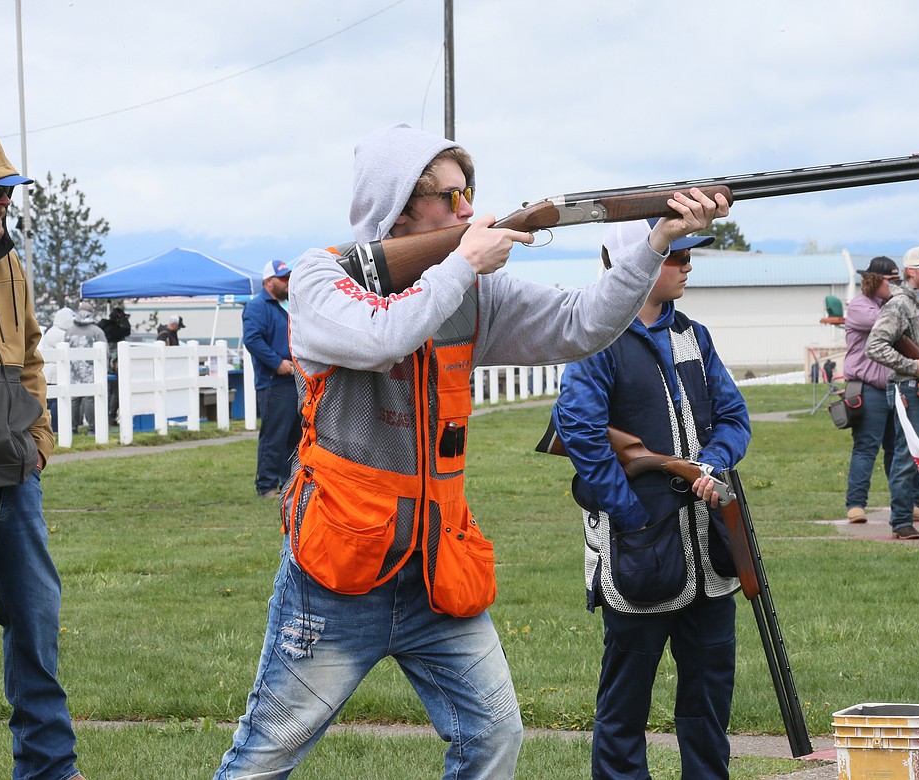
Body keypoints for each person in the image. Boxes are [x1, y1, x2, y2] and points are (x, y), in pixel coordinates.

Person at [212, 123, 728, 779]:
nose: (468, 211)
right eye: (451, 198)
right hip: (338, 570)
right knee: (265, 755)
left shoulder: (470, 289)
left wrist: (656, 242)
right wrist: (460, 264)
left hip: (436, 566)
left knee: (494, 738)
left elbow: (583, 325)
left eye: (471, 194)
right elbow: (380, 338)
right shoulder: (322, 274)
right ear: (401, 207)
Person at [551, 219, 750, 779]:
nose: (687, 265)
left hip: (709, 550)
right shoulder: (596, 340)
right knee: (624, 709)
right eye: (675, 256)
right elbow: (583, 437)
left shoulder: (693, 333)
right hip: (636, 549)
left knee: (709, 704)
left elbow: (734, 417)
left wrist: (709, 466)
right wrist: (633, 516)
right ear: (633, 263)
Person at [0, 130, 86, 779]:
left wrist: (38, 440)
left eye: (4, 193)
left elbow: (29, 358)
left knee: (36, 620)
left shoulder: (11, 266)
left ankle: (50, 768)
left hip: (14, 474)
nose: (3, 203)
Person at [865, 246, 919, 540]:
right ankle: (901, 520)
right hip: (909, 387)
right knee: (908, 455)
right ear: (910, 272)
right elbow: (874, 346)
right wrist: (911, 366)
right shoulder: (898, 305)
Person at [843, 256, 899, 525]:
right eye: (891, 281)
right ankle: (855, 504)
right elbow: (889, 324)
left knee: (896, 449)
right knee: (866, 448)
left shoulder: (890, 305)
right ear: (876, 280)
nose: (896, 287)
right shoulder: (859, 307)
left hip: (892, 387)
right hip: (868, 389)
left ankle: (903, 503)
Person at [241, 259, 301, 498]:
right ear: (268, 282)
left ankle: (288, 483)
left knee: (295, 436)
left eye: (288, 278)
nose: (287, 283)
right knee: (275, 436)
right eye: (283, 278)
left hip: (293, 380)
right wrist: (277, 363)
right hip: (274, 381)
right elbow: (252, 340)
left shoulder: (286, 305)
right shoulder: (257, 307)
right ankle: (266, 485)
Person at [64, 301, 107, 435]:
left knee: (74, 399)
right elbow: (105, 352)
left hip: (73, 371)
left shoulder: (69, 331)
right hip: (91, 370)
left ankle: (72, 428)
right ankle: (92, 428)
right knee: (90, 399)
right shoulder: (97, 331)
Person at [39, 306, 75, 431]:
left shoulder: (51, 331)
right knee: (56, 400)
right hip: (56, 370)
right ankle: (57, 426)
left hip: (49, 369)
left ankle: (54, 426)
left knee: (53, 399)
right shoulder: (60, 334)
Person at [98, 306, 131, 426]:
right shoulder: (114, 329)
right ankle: (110, 417)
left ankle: (105, 416)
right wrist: (123, 319)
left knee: (107, 390)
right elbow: (127, 330)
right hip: (113, 363)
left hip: (104, 363)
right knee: (115, 391)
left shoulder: (102, 326)